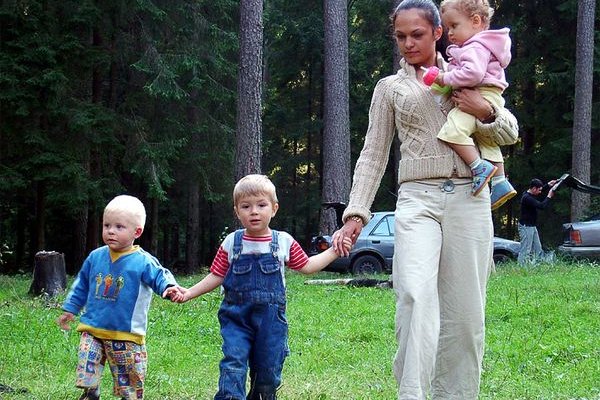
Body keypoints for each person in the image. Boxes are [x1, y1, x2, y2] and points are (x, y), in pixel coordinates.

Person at [331, 0, 519, 398]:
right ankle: (412, 394)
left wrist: (484, 111)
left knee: (465, 314)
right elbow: (373, 154)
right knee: (414, 295)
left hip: (471, 197)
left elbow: (509, 133)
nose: (408, 43)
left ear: (438, 32)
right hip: (417, 200)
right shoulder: (390, 88)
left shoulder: (471, 67)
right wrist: (356, 213)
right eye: (400, 36)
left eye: (417, 34)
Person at [166, 174, 352, 400]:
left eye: (261, 205)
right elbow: (216, 275)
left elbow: (308, 266)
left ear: (274, 209)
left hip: (271, 322)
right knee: (233, 364)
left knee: (267, 373)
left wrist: (334, 250)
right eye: (246, 206)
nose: (254, 211)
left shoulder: (283, 241)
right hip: (236, 318)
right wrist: (188, 293)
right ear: (237, 211)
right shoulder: (232, 242)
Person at [57, 195, 179, 400]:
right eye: (107, 225)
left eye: (119, 227)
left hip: (125, 333)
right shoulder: (95, 257)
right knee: (87, 367)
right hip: (93, 328)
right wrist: (70, 308)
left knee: (129, 380)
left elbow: (160, 275)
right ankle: (91, 392)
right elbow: (82, 284)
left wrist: (169, 288)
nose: (110, 231)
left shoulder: (143, 261)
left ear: (137, 232)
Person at [430, 0, 517, 210]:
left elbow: (473, 74)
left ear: (476, 21)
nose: (450, 33)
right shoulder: (482, 45)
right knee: (485, 138)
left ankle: (478, 167)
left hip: (480, 92)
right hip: (491, 94)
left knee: (452, 131)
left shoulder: (475, 46)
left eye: (454, 25)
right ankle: (500, 181)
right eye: (447, 27)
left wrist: (444, 78)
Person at [517, 178, 558, 265]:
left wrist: (548, 184)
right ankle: (521, 267)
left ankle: (538, 265)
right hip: (526, 227)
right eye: (539, 190)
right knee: (526, 249)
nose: (540, 192)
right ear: (534, 188)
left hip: (532, 226)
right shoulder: (527, 198)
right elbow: (541, 206)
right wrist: (549, 196)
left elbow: (541, 190)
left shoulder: (530, 193)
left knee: (537, 248)